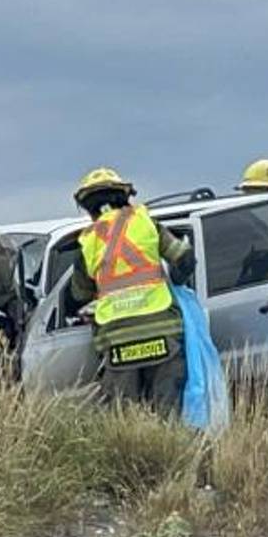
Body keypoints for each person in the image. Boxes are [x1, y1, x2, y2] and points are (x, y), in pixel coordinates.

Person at [65, 167, 197, 417]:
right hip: (163, 331)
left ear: (88, 207)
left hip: (117, 338)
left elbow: (78, 295)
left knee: (125, 421)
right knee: (169, 417)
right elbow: (184, 259)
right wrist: (178, 284)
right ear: (125, 197)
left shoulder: (89, 242)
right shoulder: (147, 224)